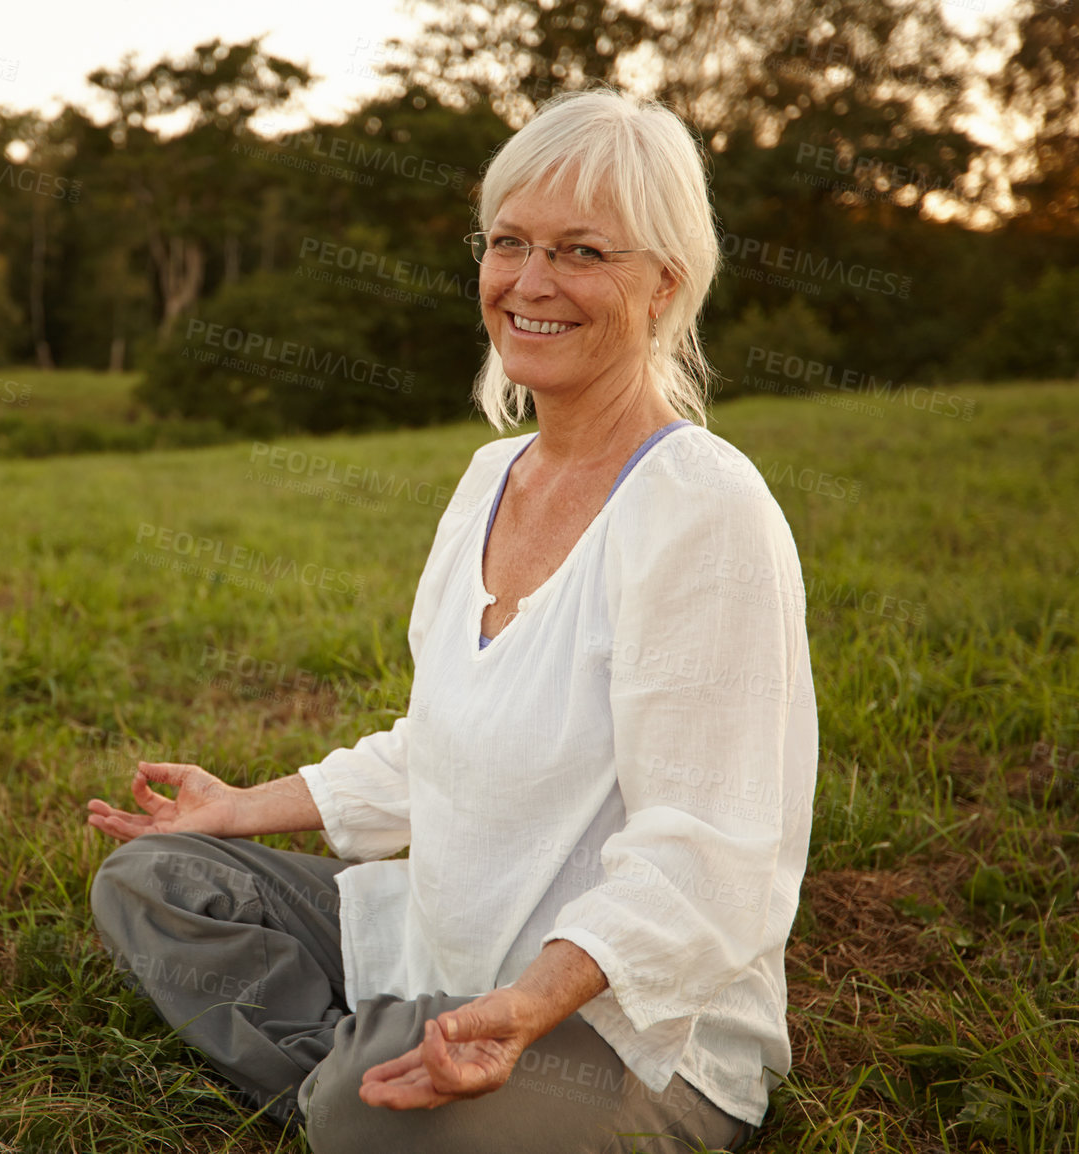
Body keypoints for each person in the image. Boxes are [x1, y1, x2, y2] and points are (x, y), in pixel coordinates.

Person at [85, 86, 817, 1154]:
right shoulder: (488, 476)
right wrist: (244, 805)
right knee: (156, 880)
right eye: (507, 243)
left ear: (664, 283)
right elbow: (444, 743)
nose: (529, 283)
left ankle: (366, 1076)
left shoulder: (701, 508)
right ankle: (377, 1062)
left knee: (355, 1116)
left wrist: (523, 1009)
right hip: (448, 937)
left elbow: (709, 856)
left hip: (619, 1020)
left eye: (578, 251)